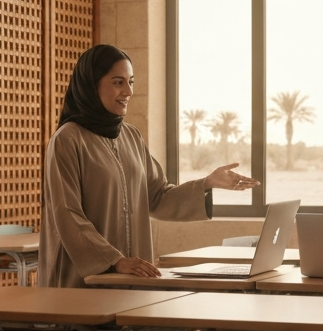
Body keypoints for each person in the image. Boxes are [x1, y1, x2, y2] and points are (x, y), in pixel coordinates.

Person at [38, 44, 258, 288]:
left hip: (132, 275)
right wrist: (115, 260)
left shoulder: (131, 136)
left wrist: (207, 183)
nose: (129, 91)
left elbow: (158, 197)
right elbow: (66, 213)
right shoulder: (68, 139)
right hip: (82, 281)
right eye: (118, 82)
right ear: (92, 85)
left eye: (131, 82)